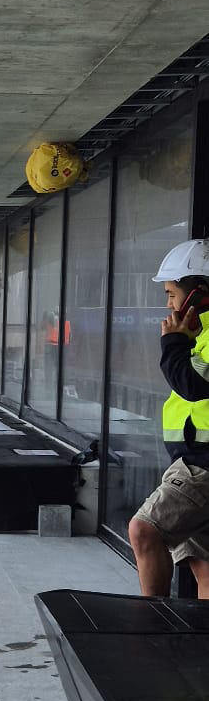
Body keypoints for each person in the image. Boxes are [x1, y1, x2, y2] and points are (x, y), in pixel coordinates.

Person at [128, 240, 209, 599]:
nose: (168, 304)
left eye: (172, 293)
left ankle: (151, 630)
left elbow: (193, 385)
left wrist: (173, 343)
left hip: (202, 464)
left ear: (198, 294)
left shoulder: (199, 336)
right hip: (192, 460)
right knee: (202, 564)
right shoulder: (199, 333)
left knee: (144, 530)